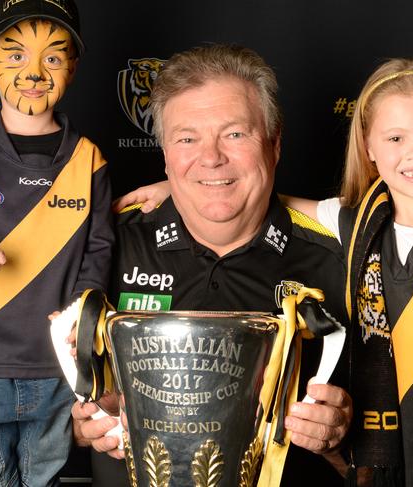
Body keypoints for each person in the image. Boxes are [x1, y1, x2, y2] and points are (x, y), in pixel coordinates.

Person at [116, 58, 413, 487]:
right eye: (395, 138)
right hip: (406, 468)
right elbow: (263, 198)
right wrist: (183, 185)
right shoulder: (356, 222)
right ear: (369, 147)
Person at [71, 44, 357, 486]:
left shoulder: (342, 257)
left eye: (235, 134)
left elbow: (383, 446)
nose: (211, 158)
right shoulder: (106, 243)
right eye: (187, 138)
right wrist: (84, 425)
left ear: (275, 144)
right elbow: (59, 410)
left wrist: (339, 435)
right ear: (165, 154)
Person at [0, 0, 113, 485]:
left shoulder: (89, 159)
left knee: (43, 475)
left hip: (55, 364)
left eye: (52, 57)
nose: (33, 72)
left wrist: (80, 313)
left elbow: (99, 248)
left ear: (72, 64)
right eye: (14, 56)